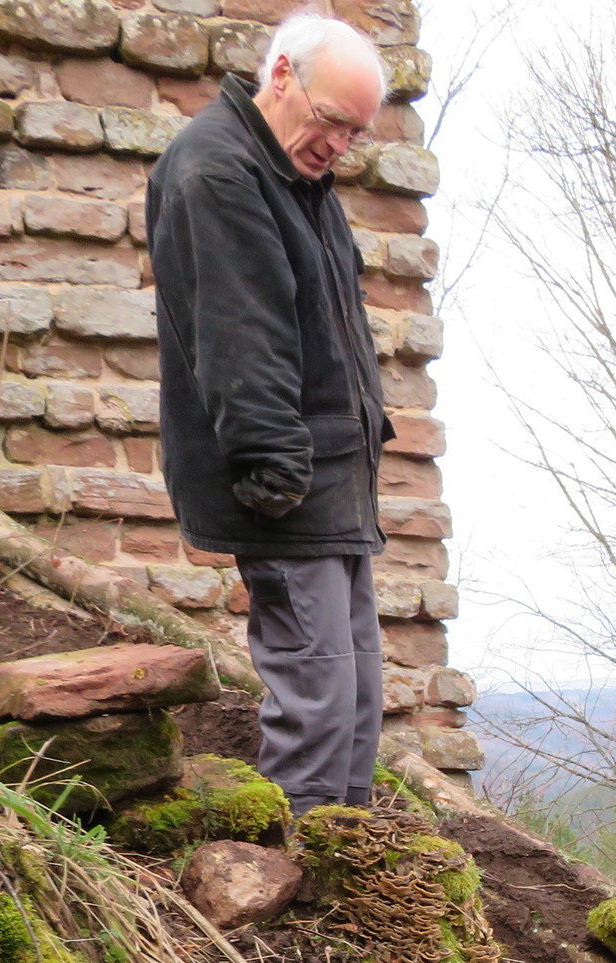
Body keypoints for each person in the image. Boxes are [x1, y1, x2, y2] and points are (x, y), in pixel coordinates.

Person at [147, 13, 393, 817]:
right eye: (331, 121)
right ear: (281, 75)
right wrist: (275, 470)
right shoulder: (218, 172)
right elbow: (240, 332)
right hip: (288, 482)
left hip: (334, 478)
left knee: (357, 693)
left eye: (355, 134)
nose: (338, 146)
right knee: (317, 699)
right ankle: (299, 864)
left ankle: (346, 849)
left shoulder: (294, 174)